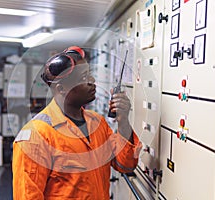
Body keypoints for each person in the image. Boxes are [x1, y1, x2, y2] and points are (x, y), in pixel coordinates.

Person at [12, 46, 142, 199]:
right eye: (84, 78)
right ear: (61, 89)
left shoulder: (97, 123)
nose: (92, 81)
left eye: (90, 74)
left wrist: (123, 121)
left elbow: (125, 165)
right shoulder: (36, 137)